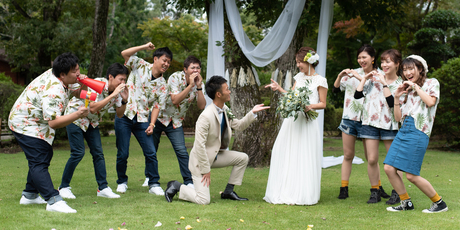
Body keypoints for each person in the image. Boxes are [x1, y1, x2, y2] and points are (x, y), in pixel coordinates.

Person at [164, 75, 269, 205]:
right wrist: (205, 170)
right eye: (227, 89)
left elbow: (239, 125)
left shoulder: (225, 109)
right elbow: (199, 146)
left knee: (243, 158)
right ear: (218, 94)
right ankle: (177, 186)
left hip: (216, 156)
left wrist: (252, 112)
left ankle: (228, 192)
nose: (229, 91)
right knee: (203, 200)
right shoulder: (205, 117)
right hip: (200, 162)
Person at [8, 52, 89, 213]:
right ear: (62, 74)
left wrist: (84, 83)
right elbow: (54, 122)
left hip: (36, 122)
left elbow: (81, 94)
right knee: (39, 160)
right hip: (24, 123)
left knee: (44, 155)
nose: (78, 74)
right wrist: (77, 114)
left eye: (78, 69)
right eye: (74, 72)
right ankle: (53, 200)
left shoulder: (64, 78)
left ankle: (29, 195)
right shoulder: (54, 90)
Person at [263, 47, 327, 205]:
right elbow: (292, 96)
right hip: (292, 121)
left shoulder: (321, 80)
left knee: (304, 154)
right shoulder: (299, 77)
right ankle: (286, 189)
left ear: (309, 62)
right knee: (285, 151)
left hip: (307, 122)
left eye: (300, 62)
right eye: (297, 62)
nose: (298, 65)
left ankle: (303, 193)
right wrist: (279, 89)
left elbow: (323, 103)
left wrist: (309, 106)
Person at [384, 55, 448, 213]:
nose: (407, 72)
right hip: (404, 129)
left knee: (411, 175)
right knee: (389, 168)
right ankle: (406, 202)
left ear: (421, 69)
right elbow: (398, 118)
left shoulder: (431, 83)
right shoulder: (404, 88)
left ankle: (439, 203)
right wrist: (397, 97)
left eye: (411, 68)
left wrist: (416, 87)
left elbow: (430, 102)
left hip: (418, 131)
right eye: (405, 70)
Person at [58, 63, 129, 200]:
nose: (123, 83)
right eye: (120, 79)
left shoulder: (117, 92)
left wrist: (124, 100)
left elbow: (120, 114)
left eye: (125, 80)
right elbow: (92, 107)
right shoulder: (96, 83)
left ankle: (102, 188)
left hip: (91, 122)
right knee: (78, 152)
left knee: (98, 154)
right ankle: (63, 187)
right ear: (110, 77)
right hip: (76, 117)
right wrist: (114, 94)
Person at [333, 44, 390, 200]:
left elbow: (377, 90)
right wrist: (340, 76)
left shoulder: (380, 75)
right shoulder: (352, 73)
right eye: (359, 57)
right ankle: (344, 188)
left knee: (371, 157)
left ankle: (377, 187)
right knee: (348, 154)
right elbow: (336, 89)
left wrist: (361, 78)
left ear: (373, 58)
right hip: (349, 118)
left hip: (369, 120)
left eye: (364, 57)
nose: (361, 60)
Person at [115, 42, 171, 195]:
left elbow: (157, 106)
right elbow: (124, 53)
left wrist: (152, 124)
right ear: (155, 59)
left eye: (168, 62)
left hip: (142, 119)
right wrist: (144, 47)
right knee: (123, 153)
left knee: (151, 152)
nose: (166, 64)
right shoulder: (139, 64)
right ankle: (122, 181)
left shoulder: (163, 85)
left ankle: (154, 184)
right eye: (164, 60)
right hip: (125, 114)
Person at [354, 49, 402, 204]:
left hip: (390, 124)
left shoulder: (400, 84)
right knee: (372, 159)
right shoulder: (374, 78)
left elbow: (391, 104)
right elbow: (357, 95)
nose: (384, 65)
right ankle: (375, 191)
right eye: (383, 61)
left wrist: (384, 83)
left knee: (393, 161)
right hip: (370, 122)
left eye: (388, 61)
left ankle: (397, 192)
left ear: (397, 64)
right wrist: (364, 79)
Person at [153, 56, 206, 188]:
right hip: (159, 116)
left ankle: (188, 181)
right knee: (152, 150)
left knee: (182, 151)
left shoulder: (199, 82)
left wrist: (198, 87)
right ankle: (150, 178)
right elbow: (175, 100)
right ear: (185, 70)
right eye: (192, 67)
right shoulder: (175, 77)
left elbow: (201, 106)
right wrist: (190, 86)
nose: (196, 70)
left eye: (198, 67)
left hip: (176, 121)